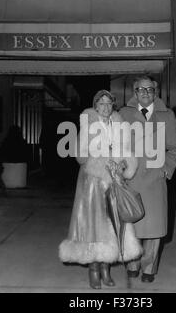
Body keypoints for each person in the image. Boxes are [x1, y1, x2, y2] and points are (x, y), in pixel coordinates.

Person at [59, 90, 142, 289]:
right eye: (101, 103)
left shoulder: (120, 124)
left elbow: (127, 151)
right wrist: (102, 162)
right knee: (93, 225)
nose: (105, 107)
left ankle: (106, 268)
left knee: (112, 225)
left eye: (108, 103)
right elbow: (80, 156)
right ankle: (94, 269)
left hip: (114, 181)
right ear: (95, 106)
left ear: (113, 105)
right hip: (92, 182)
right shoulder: (89, 124)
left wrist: (121, 164)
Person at [119, 75, 176, 283]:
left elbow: (175, 148)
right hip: (132, 178)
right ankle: (132, 263)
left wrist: (166, 169)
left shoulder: (167, 115)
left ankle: (149, 268)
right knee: (132, 224)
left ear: (155, 93)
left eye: (149, 90)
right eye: (141, 90)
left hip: (155, 180)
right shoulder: (124, 114)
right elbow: (117, 145)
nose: (145, 93)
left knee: (154, 229)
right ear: (134, 92)